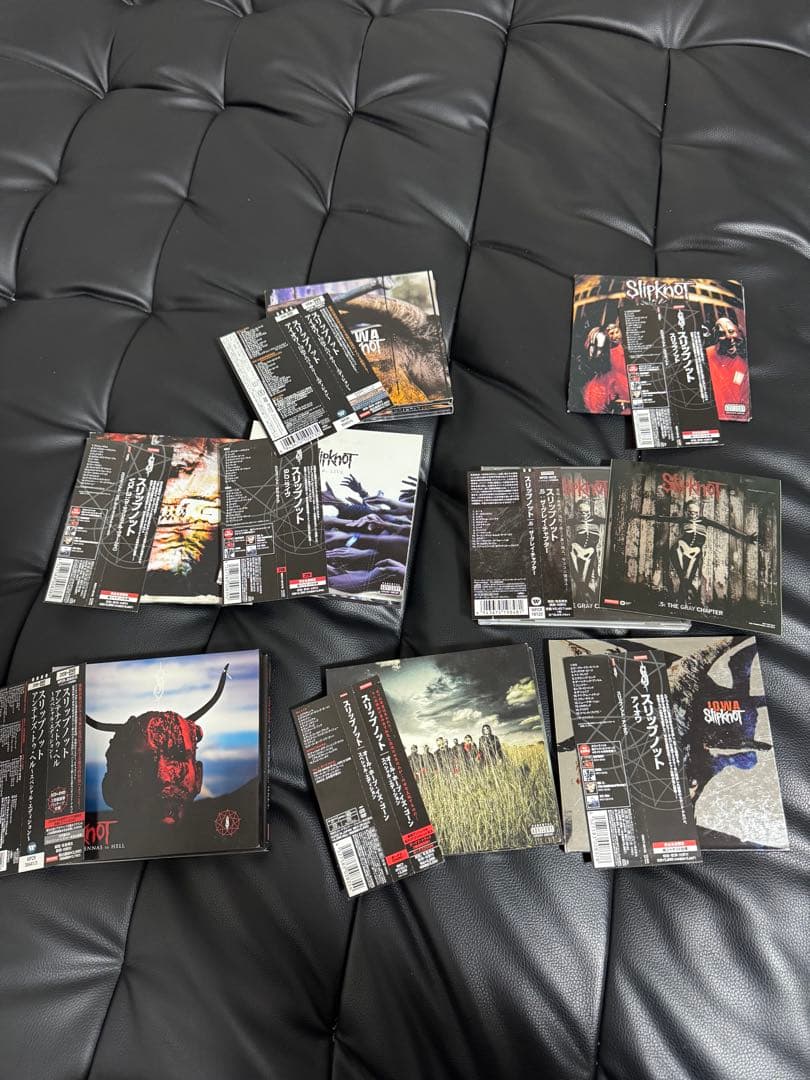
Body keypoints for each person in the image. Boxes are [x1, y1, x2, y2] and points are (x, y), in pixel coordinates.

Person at [634, 499, 757, 602]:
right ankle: (683, 598)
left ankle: (682, 600)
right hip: (681, 550)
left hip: (694, 553)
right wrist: (641, 516)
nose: (693, 515)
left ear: (699, 512)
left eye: (696, 513)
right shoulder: (683, 520)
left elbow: (726, 528)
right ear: (687, 512)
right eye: (691, 513)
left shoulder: (705, 521)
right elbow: (662, 518)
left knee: (687, 578)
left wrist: (746, 537)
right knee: (682, 561)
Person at [704, 317, 749, 421]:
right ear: (716, 336)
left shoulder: (744, 363)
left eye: (731, 331)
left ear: (739, 331)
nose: (728, 337)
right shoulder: (707, 355)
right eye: (722, 333)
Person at [568, 498, 604, 602]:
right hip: (577, 549)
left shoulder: (596, 519)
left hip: (590, 551)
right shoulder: (574, 521)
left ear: (590, 511)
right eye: (581, 512)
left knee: (590, 554)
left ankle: (582, 589)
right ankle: (583, 589)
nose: (584, 515)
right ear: (576, 512)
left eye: (587, 512)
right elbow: (562, 522)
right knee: (573, 546)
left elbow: (609, 520)